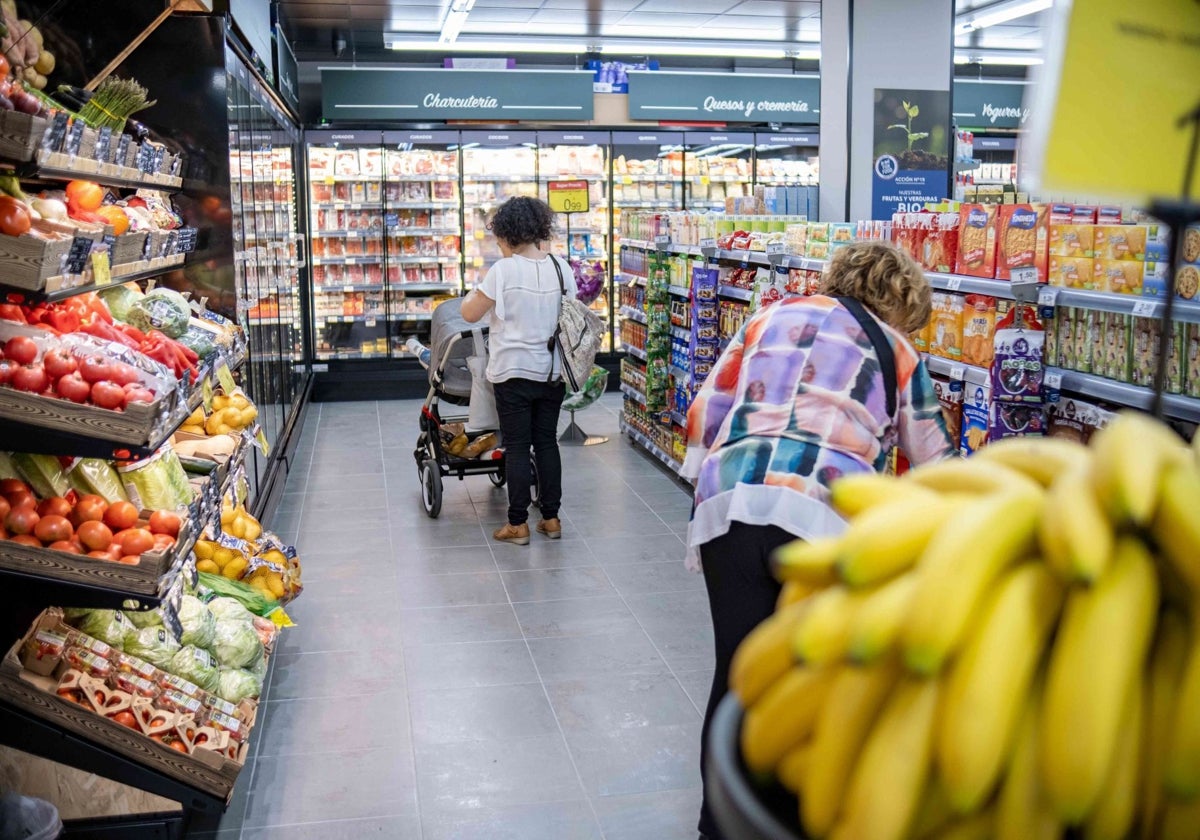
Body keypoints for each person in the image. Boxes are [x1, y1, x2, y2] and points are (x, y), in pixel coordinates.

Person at [681, 240, 956, 840]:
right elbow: (938, 464)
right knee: (809, 677)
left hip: (728, 500)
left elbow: (703, 413)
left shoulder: (766, 316)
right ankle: (789, 816)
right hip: (820, 520)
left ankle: (717, 825)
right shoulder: (897, 350)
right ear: (902, 301)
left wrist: (712, 483)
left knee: (736, 671)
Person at [461, 196, 577, 545]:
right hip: (552, 371)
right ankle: (552, 518)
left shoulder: (504, 271)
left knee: (516, 445)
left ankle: (517, 523)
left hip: (512, 372)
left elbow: (469, 314)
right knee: (546, 443)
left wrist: (474, 294)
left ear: (507, 234)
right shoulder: (561, 267)